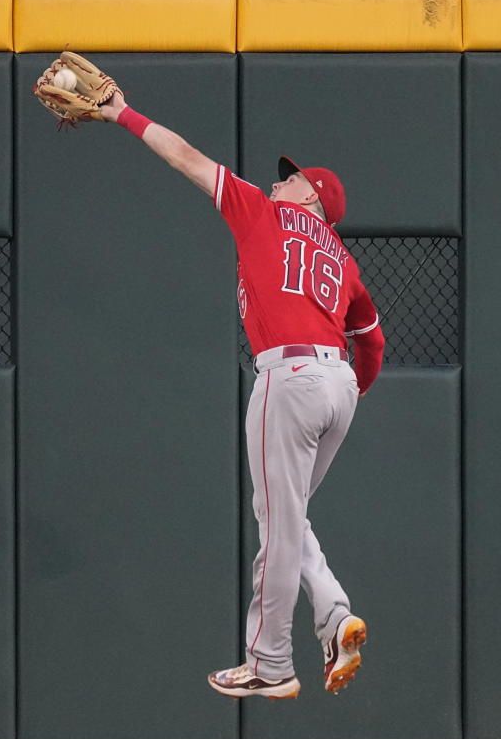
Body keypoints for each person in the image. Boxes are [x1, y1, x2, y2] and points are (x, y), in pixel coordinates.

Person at [95, 83, 385, 699]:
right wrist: (346, 393)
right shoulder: (343, 259)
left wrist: (121, 113)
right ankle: (334, 616)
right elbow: (374, 340)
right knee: (287, 515)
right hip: (338, 385)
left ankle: (271, 663)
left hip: (291, 376)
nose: (279, 180)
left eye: (292, 177)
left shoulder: (263, 209)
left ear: (312, 196)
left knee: (278, 528)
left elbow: (182, 155)